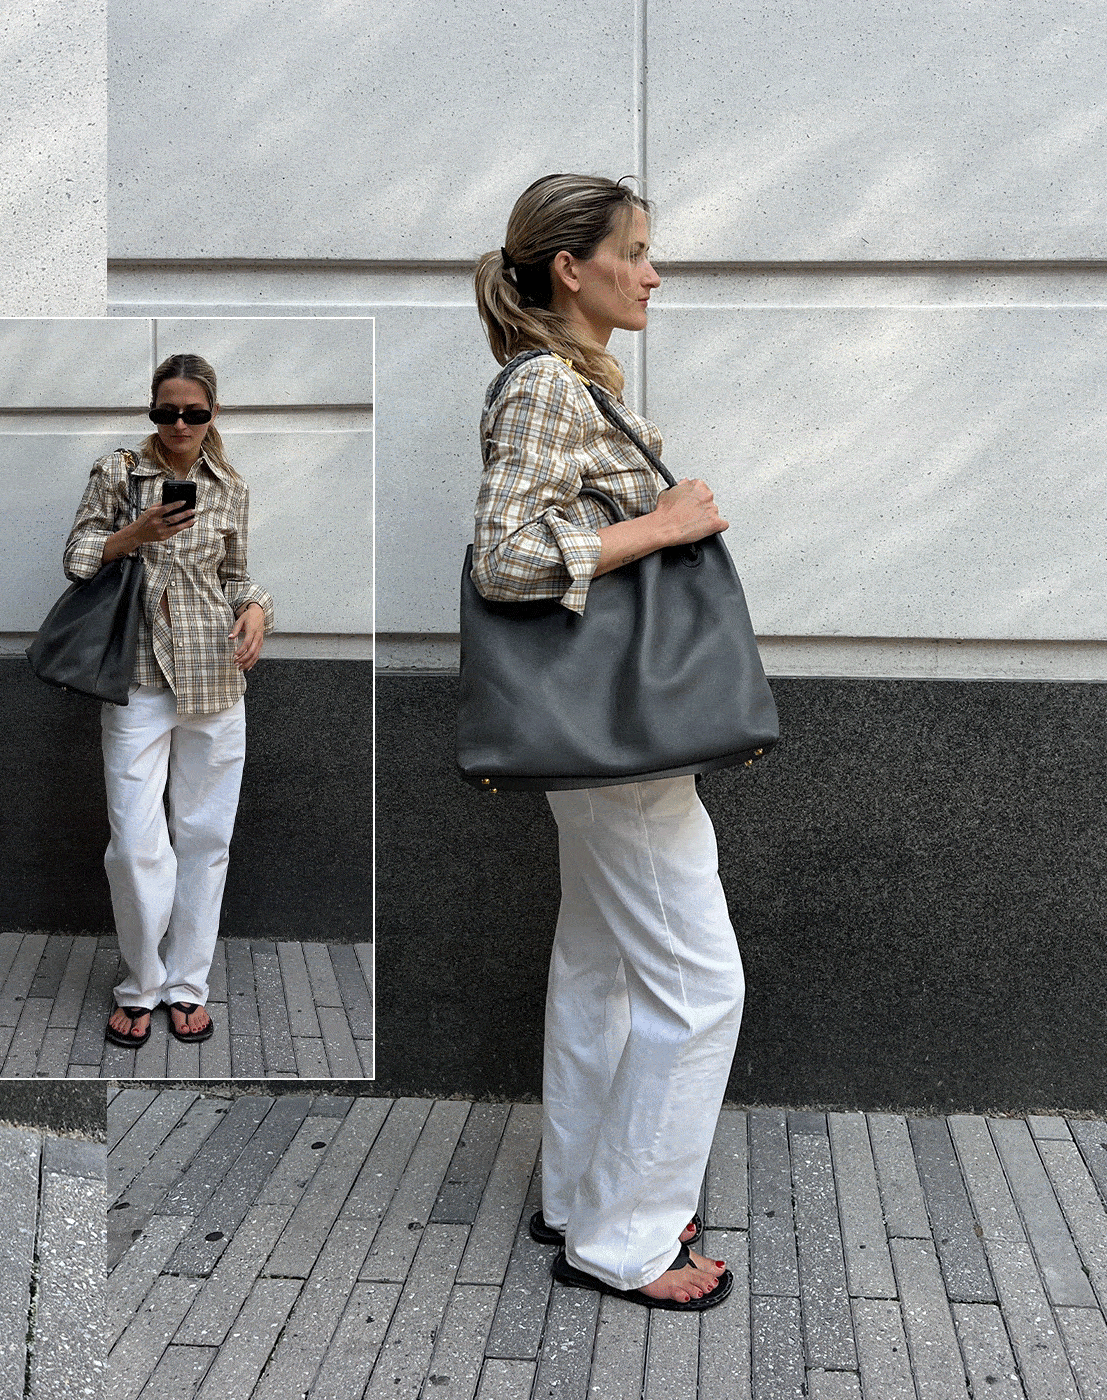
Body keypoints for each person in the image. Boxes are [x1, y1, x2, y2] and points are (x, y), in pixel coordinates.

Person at [470, 174, 740, 1309]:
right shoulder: (543, 384)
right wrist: (664, 522)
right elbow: (503, 556)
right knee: (699, 984)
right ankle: (626, 1238)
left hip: (605, 735)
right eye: (631, 250)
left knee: (599, 965)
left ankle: (580, 1195)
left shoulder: (571, 383)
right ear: (567, 269)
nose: (651, 270)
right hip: (618, 740)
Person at [61, 353, 272, 1052]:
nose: (179, 424)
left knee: (207, 839)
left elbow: (238, 576)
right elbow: (77, 556)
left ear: (213, 414)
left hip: (215, 676)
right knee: (135, 844)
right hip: (138, 679)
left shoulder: (229, 485)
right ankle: (141, 984)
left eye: (194, 412)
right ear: (152, 411)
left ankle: (187, 986)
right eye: (166, 411)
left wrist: (257, 613)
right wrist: (133, 536)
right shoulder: (119, 472)